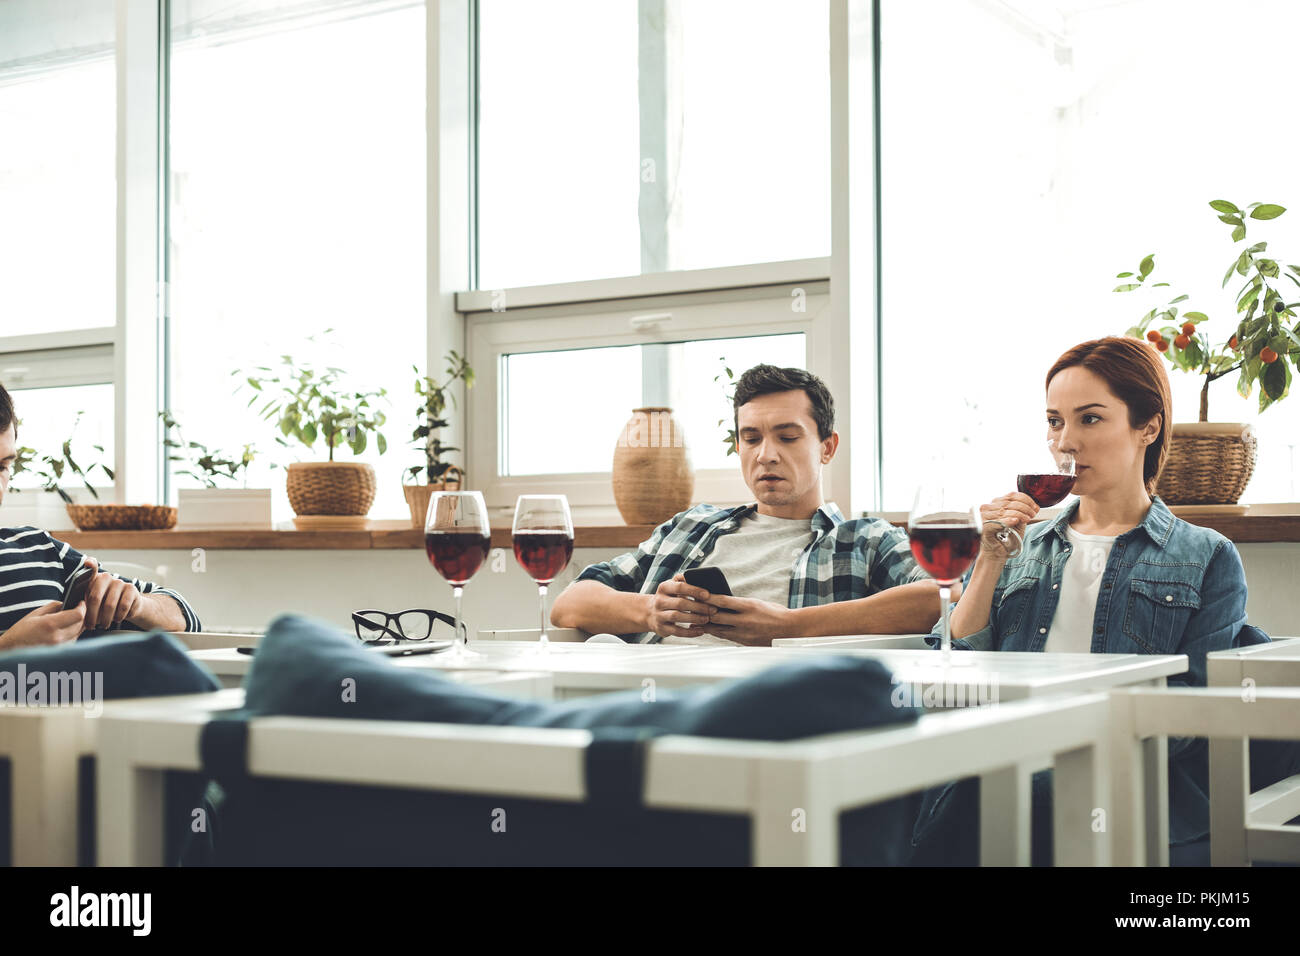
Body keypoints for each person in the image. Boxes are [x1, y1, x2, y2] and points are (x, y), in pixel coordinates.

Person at [912, 335, 1273, 866]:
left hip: (1129, 785)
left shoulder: (1207, 556)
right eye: (1055, 421)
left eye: (1090, 419)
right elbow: (954, 680)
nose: (1065, 443)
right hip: (1003, 763)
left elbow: (1192, 718)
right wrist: (988, 561)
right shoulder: (1022, 544)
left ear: (1148, 426)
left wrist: (1062, 753)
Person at [550, 364, 945, 645]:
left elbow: (940, 598)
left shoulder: (863, 539)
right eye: (751, 438)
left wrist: (789, 626)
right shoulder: (691, 526)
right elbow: (570, 604)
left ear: (827, 447)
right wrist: (650, 610)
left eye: (787, 437)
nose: (765, 455)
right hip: (648, 696)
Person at [0, 383, 202, 650]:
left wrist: (137, 604)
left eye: (3, 466)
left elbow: (187, 618)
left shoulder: (41, 550)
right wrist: (7, 650)